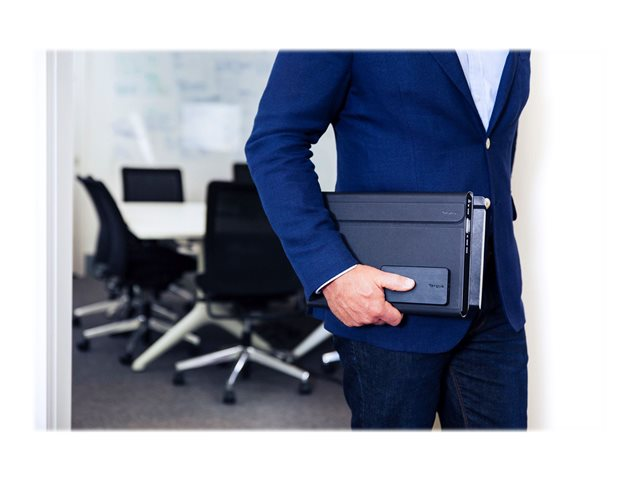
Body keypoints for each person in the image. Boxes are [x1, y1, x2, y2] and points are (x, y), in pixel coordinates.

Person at [245, 50, 530, 429]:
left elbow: (486, 141)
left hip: (495, 300)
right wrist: (332, 272)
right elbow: (275, 143)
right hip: (388, 299)